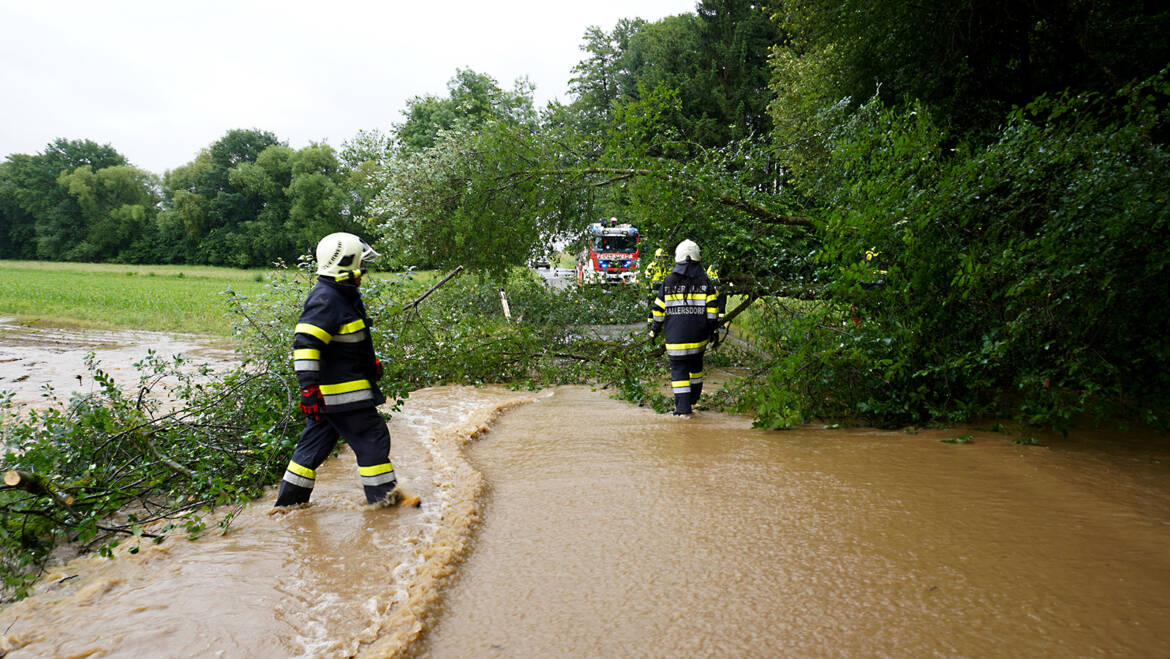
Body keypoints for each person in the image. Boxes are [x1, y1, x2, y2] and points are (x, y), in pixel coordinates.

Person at [274, 232, 413, 508]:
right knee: (372, 438)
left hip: (331, 397)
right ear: (345, 262)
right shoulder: (327, 299)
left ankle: (288, 508)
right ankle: (385, 505)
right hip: (343, 395)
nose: (364, 269)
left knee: (313, 447)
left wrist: (369, 363)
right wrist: (308, 389)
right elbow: (305, 345)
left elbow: (343, 340)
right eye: (361, 263)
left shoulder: (341, 295)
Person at [650, 239, 720, 417]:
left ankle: (683, 410)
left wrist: (654, 331)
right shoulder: (705, 281)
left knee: (679, 371)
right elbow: (713, 311)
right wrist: (713, 332)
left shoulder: (668, 281)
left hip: (675, 340)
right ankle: (693, 400)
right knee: (696, 368)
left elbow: (658, 310)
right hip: (698, 339)